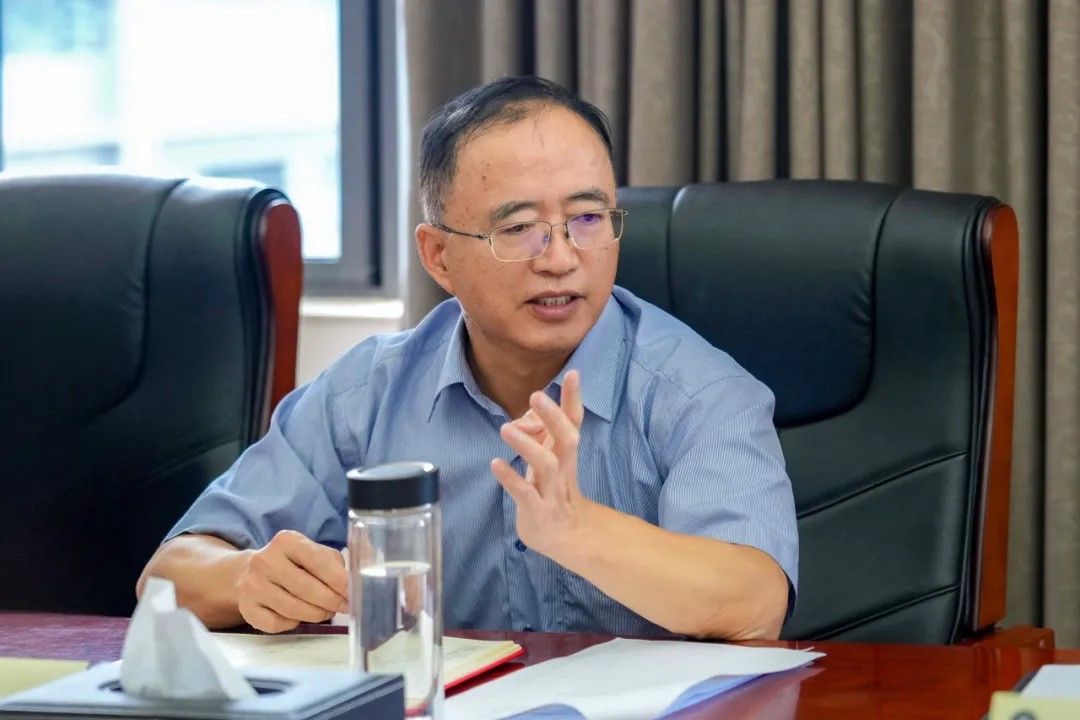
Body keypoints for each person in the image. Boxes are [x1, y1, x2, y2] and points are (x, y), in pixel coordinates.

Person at [138, 75, 798, 640]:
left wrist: (580, 532)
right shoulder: (366, 393)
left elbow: (757, 602)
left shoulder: (696, 391)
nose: (561, 258)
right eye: (519, 228)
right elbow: (167, 575)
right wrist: (246, 579)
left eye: (589, 219)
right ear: (438, 256)